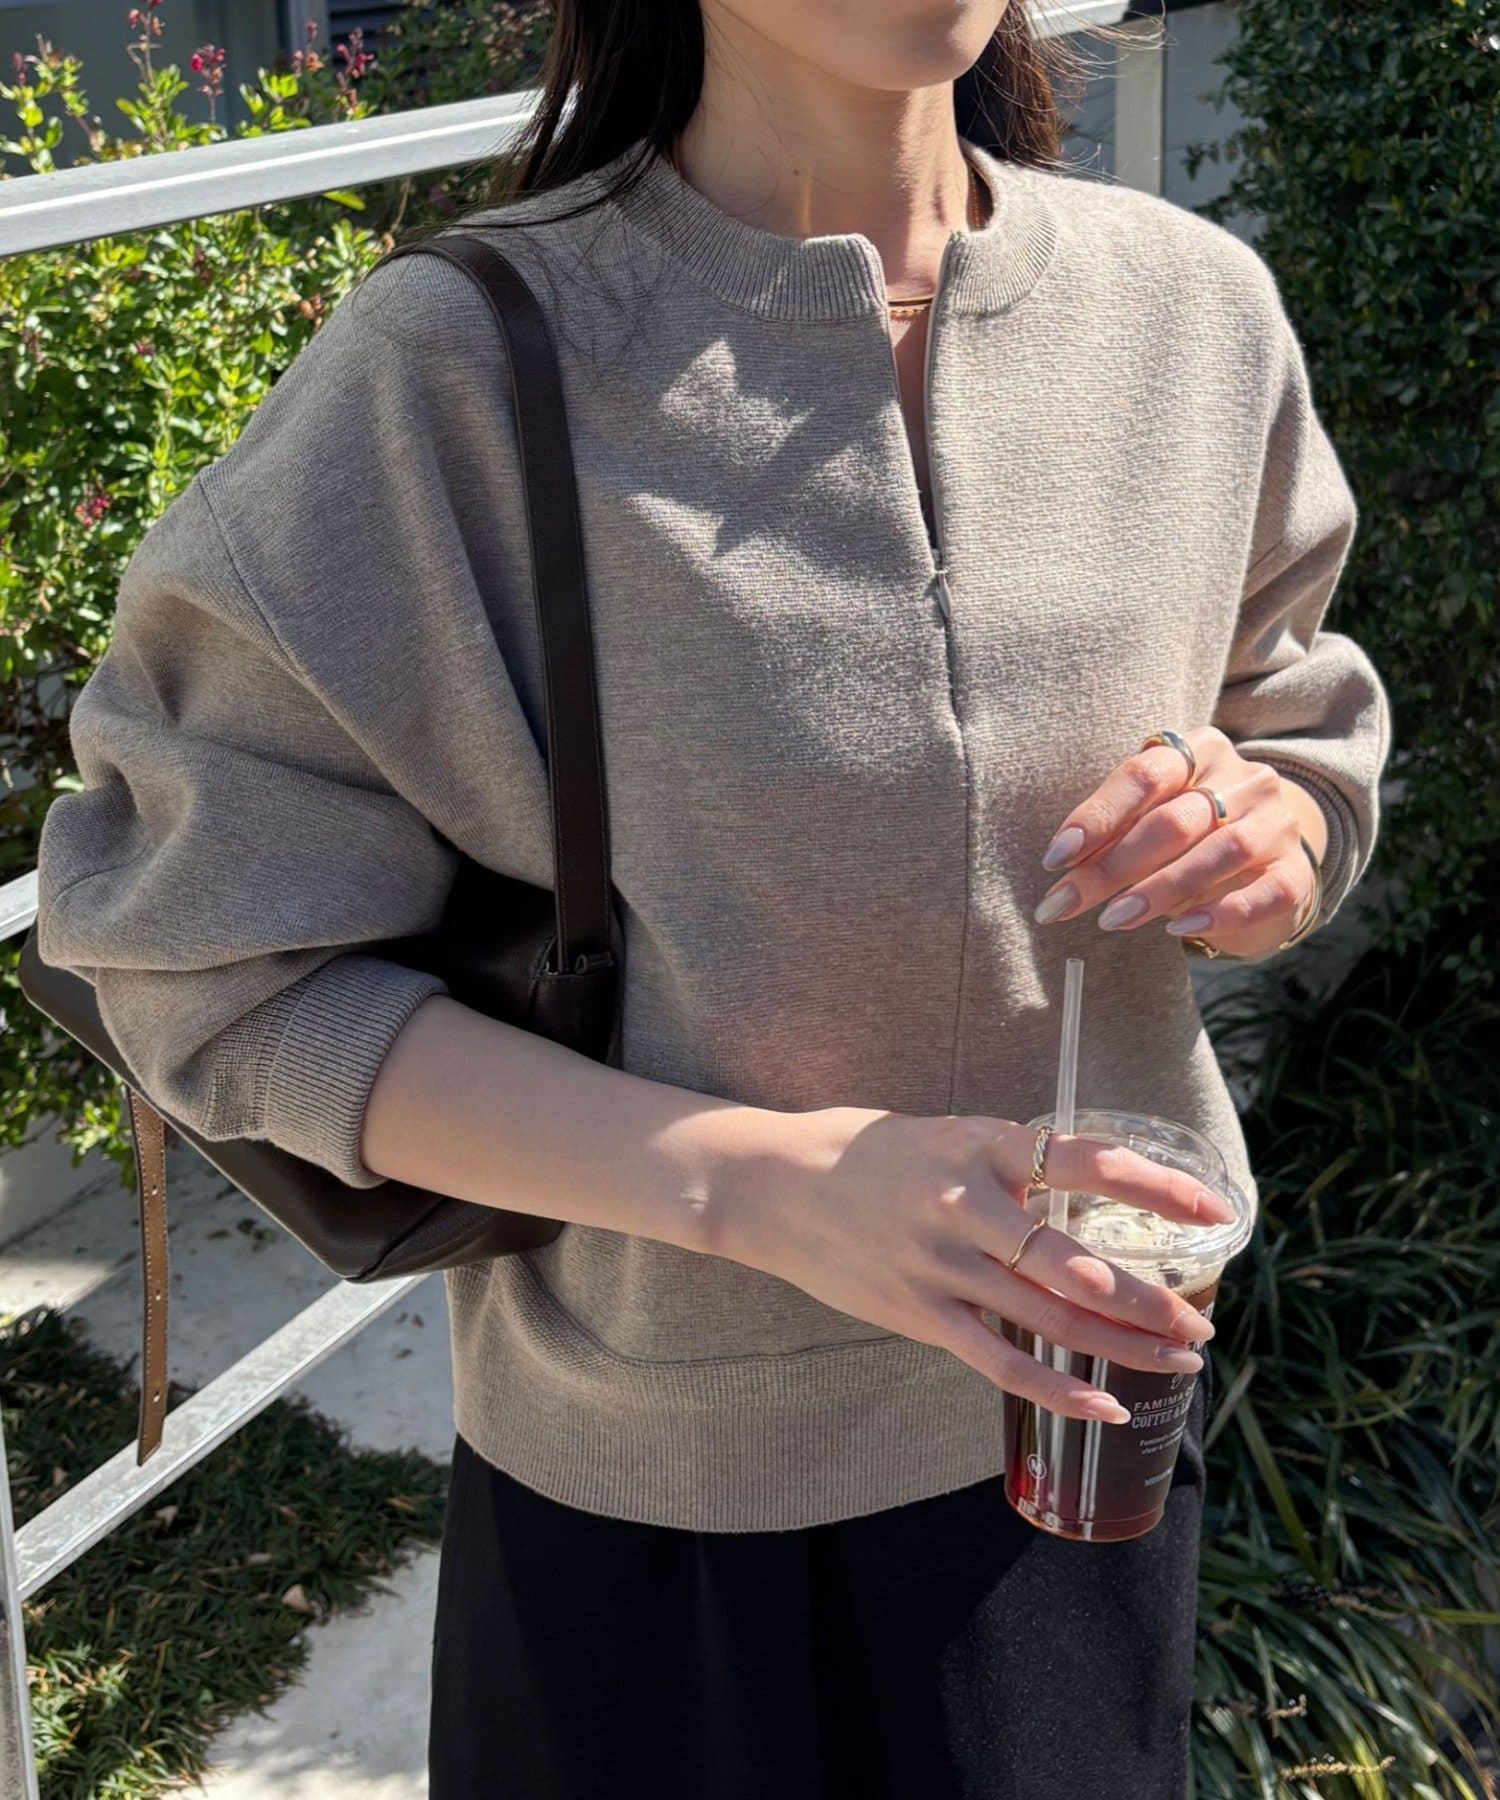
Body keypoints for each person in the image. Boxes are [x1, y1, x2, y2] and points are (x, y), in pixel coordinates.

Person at [34, 0, 1392, 1794]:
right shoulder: (458, 367)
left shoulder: (1193, 315)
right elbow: (206, 960)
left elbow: (1295, 718)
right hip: (655, 1514)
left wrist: (1272, 840)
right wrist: (757, 1185)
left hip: (1095, 1433)